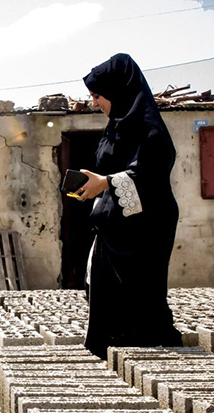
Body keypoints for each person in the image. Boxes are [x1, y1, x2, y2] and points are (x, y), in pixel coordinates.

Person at [76, 53, 182, 359]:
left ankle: (148, 351)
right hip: (115, 226)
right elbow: (108, 170)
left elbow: (149, 174)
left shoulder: (151, 130)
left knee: (141, 290)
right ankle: (114, 348)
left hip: (146, 226)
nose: (95, 103)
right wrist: (91, 187)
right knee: (103, 286)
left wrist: (105, 183)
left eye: (97, 96)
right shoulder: (114, 127)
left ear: (117, 90)